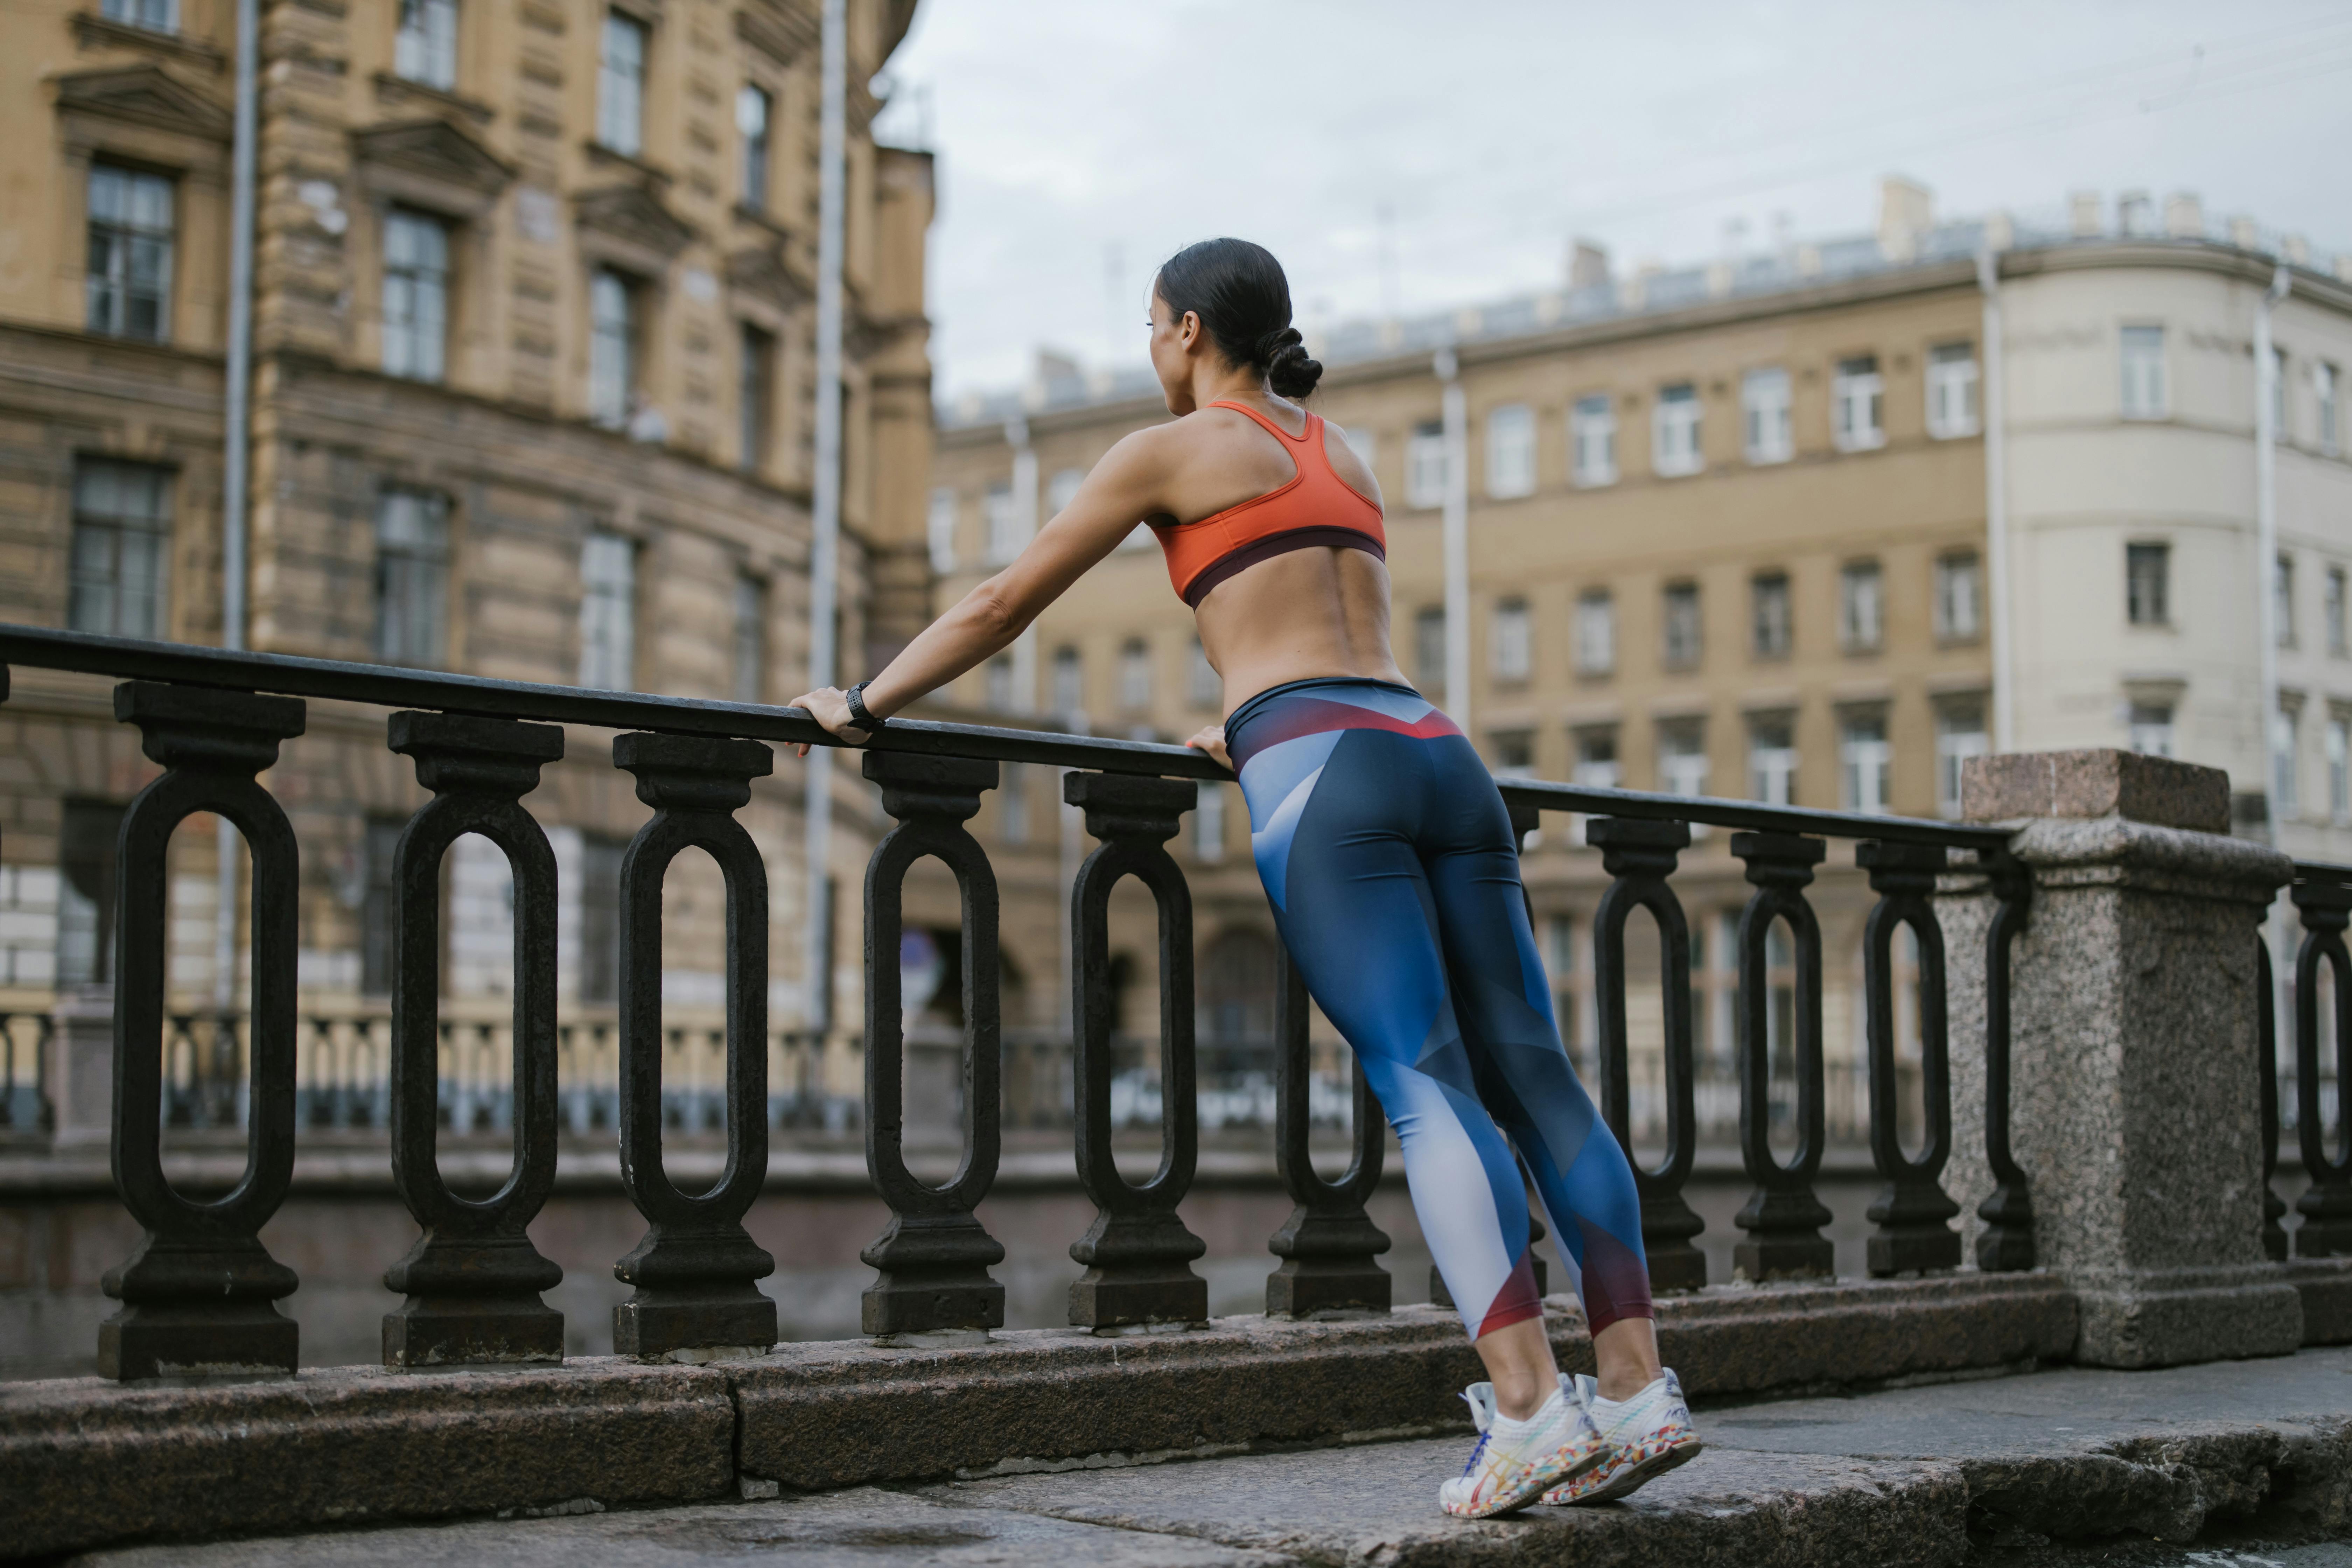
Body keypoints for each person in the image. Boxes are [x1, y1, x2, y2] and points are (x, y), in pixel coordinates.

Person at [791, 237, 1700, 1518]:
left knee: (1426, 1083)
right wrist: (1256, 719)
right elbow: (1323, 625)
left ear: (1185, 333)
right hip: (1438, 753)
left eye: (1150, 328)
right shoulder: (1343, 449)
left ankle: (1532, 1414)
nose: (1148, 350)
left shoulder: (1166, 450)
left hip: (1326, 770)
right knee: (1539, 1078)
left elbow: (1002, 603)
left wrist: (864, 699)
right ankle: (1636, 1392)